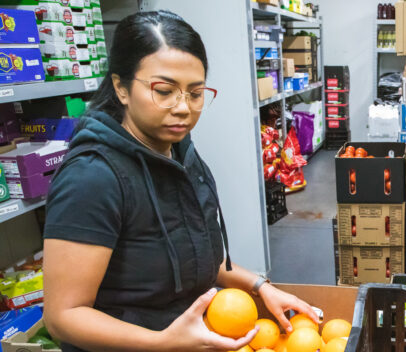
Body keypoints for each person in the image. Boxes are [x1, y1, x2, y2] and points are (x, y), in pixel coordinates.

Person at [42, 10, 318, 352]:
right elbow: (63, 316)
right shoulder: (92, 177)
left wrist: (261, 286)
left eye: (195, 92)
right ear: (121, 88)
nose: (182, 107)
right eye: (164, 90)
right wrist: (161, 342)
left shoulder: (179, 151)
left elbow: (196, 255)